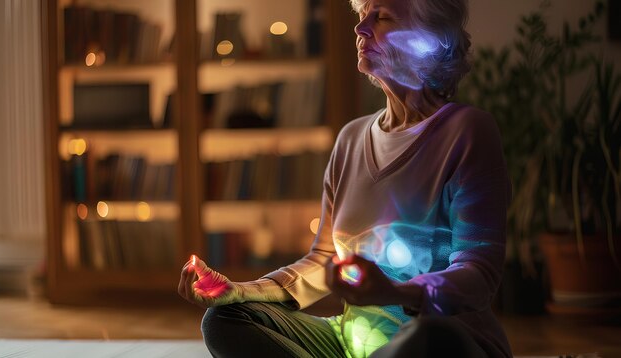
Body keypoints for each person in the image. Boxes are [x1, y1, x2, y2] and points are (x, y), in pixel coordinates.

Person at [178, 0, 513, 356]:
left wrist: (396, 293)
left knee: (427, 337)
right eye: (361, 14)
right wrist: (240, 290)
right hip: (353, 343)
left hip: (440, 342)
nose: (360, 28)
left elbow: (479, 275)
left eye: (381, 17)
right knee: (225, 319)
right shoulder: (351, 138)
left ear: (429, 38)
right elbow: (323, 261)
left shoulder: (467, 131)